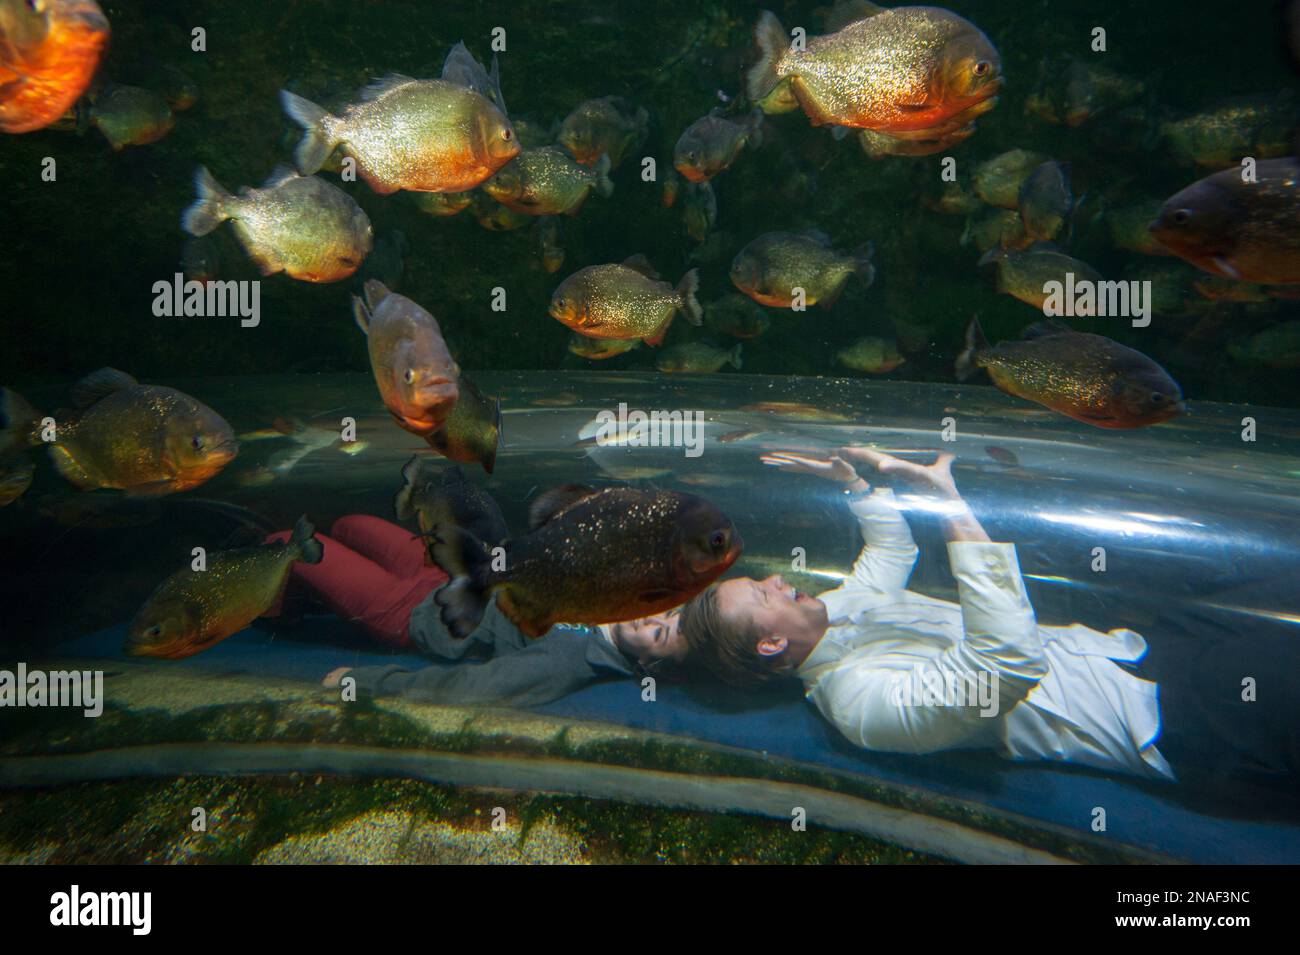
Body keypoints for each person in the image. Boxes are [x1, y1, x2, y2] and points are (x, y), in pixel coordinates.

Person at [680, 446, 1179, 779]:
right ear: (771, 644)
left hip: (1125, 646)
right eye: (764, 595)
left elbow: (890, 556)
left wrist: (852, 484)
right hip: (1144, 719)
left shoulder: (836, 610)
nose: (777, 580)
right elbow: (1006, 664)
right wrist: (948, 503)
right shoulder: (857, 703)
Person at [262, 514, 686, 706]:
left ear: (648, 664)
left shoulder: (571, 658)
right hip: (445, 572)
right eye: (670, 613)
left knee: (287, 543)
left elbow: (473, 688)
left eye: (659, 635)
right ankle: (308, 592)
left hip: (412, 609)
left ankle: (272, 613)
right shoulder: (615, 601)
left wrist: (365, 682)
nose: (653, 618)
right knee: (351, 524)